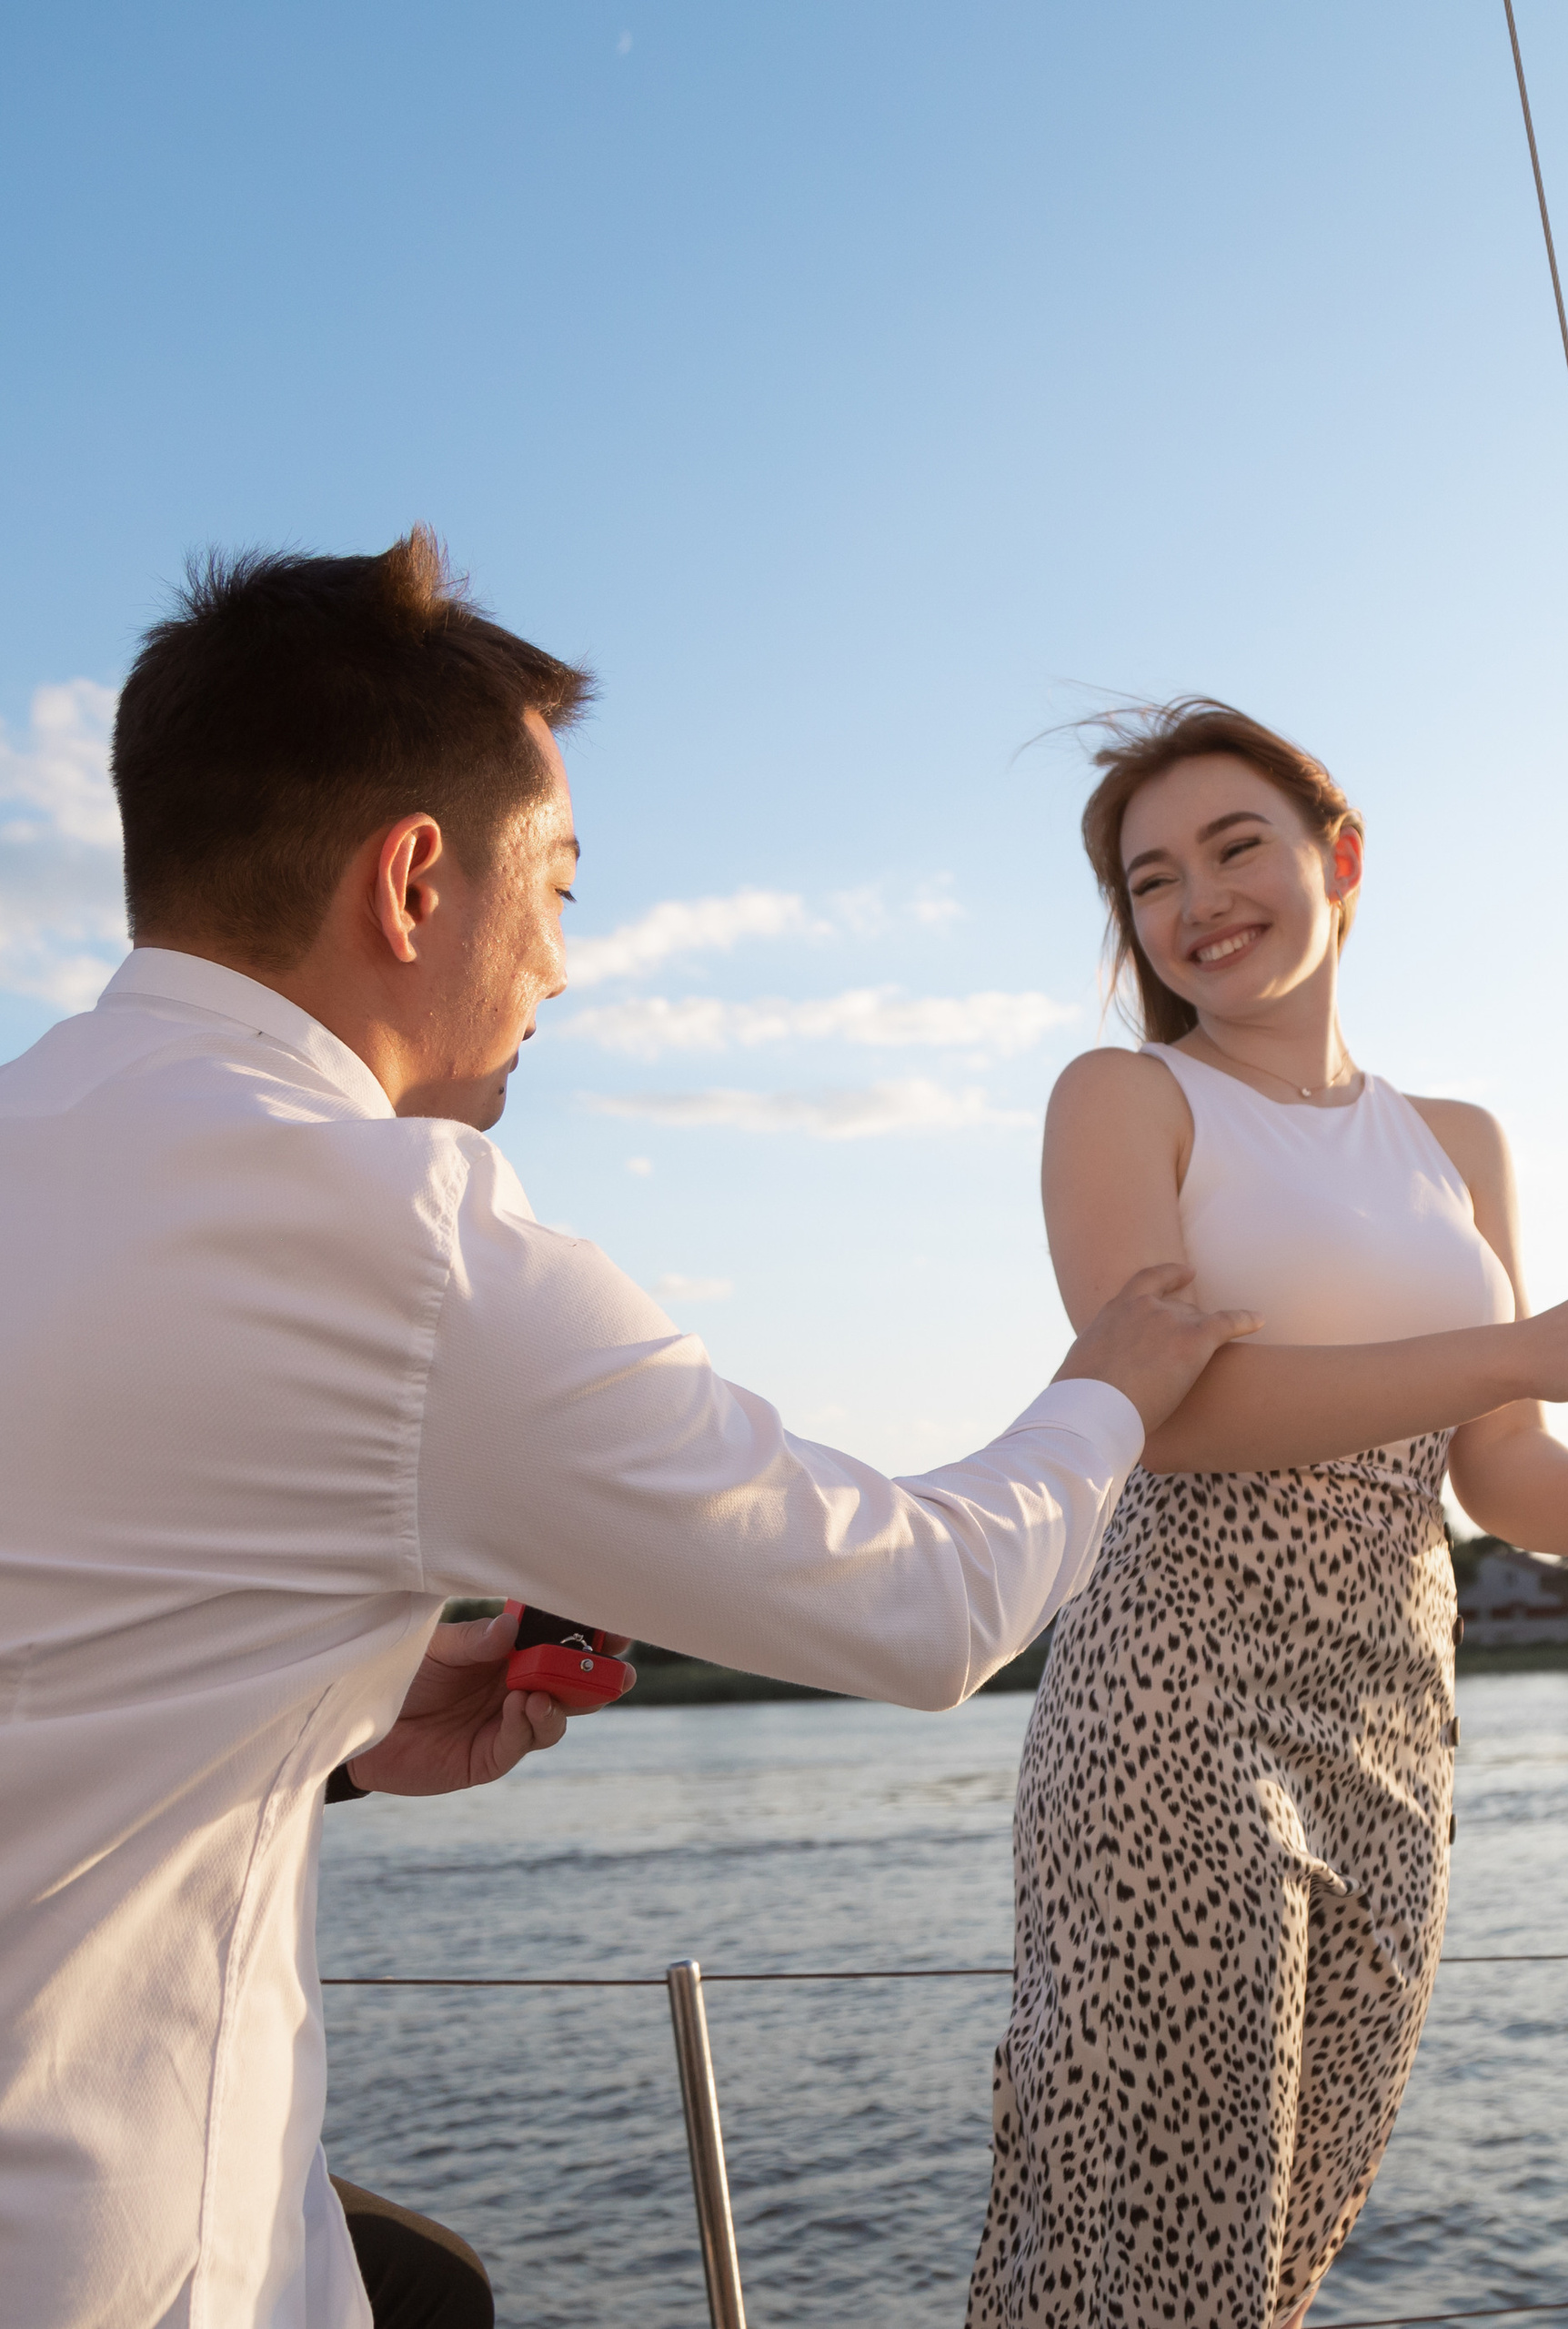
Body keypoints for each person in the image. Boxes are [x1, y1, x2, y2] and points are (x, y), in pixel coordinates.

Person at [0, 537, 1257, 2329]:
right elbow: (923, 1605)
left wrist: (347, 1727)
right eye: (563, 888)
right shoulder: (404, 1243)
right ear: (418, 879)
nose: (563, 970)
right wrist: (1110, 1381)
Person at [966, 701, 1568, 2329]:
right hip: (1175, 1701)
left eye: (1235, 849)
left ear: (1337, 863)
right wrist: (1529, 1338)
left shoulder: (1459, 1143)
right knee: (1148, 2248)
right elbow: (1168, 1416)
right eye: (1151, 882)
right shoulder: (1124, 1100)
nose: (1197, 902)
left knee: (1285, 2245)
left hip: (1396, 1718)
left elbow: (1499, 1467)